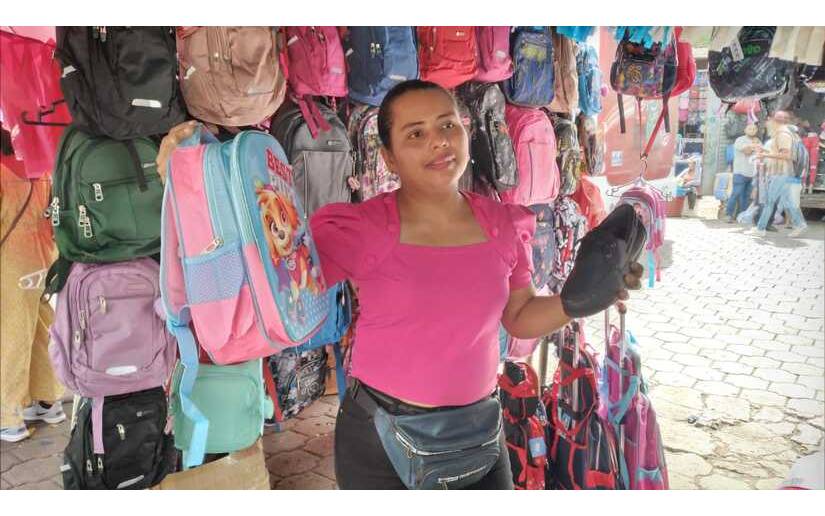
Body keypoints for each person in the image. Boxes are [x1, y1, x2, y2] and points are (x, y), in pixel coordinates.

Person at [156, 80, 644, 489]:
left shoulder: (503, 224)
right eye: (416, 134)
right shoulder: (360, 228)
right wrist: (194, 182)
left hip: (479, 431)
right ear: (388, 158)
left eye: (448, 125)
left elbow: (518, 316)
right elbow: (262, 276)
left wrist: (579, 301)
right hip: (380, 438)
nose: (439, 142)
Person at [0, 129, 66, 443]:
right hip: (44, 259)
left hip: (12, 263)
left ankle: (8, 415)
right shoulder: (41, 167)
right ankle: (48, 400)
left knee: (11, 335)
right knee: (41, 328)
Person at [748, 111, 808, 238]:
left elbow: (786, 155)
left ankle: (760, 228)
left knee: (769, 201)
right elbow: (780, 152)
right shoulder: (786, 133)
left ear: (775, 121)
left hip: (781, 173)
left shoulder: (783, 134)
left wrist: (764, 154)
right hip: (785, 173)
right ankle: (800, 224)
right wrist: (764, 150)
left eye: (769, 120)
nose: (767, 123)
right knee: (789, 202)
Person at [726, 123, 761, 222]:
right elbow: (747, 152)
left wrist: (755, 145)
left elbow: (761, 154)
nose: (752, 130)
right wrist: (754, 145)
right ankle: (728, 214)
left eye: (754, 129)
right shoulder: (740, 140)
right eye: (750, 128)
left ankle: (742, 216)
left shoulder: (758, 141)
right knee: (736, 193)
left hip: (752, 173)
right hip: (740, 172)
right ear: (745, 130)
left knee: (746, 197)